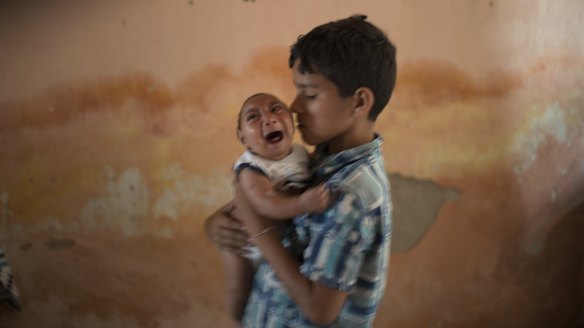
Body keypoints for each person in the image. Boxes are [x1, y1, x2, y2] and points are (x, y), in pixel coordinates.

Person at [205, 14, 397, 327]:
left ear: (359, 102)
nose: (294, 107)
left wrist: (258, 231)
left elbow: (320, 311)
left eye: (309, 94)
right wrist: (217, 224)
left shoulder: (350, 193)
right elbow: (258, 207)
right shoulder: (320, 160)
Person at [221, 92, 330, 326]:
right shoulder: (251, 167)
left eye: (276, 109)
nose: (268, 119)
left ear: (291, 122)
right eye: (253, 117)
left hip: (275, 240)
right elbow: (264, 203)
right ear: (243, 138)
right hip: (245, 242)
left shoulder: (300, 153)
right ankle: (237, 316)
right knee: (239, 286)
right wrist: (300, 204)